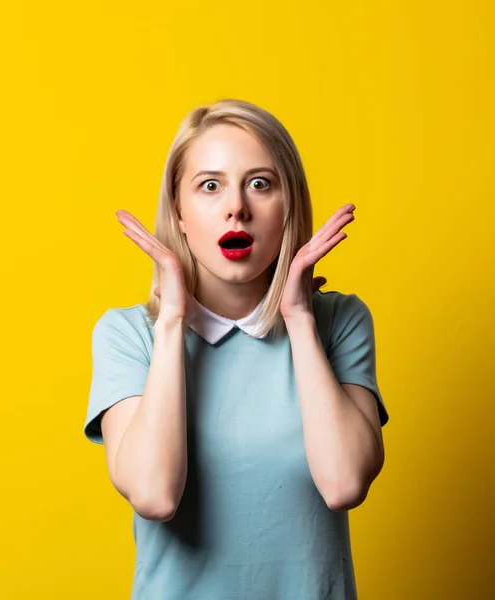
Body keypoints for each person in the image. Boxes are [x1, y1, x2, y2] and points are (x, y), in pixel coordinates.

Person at [83, 99, 389, 599]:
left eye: (260, 183)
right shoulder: (130, 334)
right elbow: (155, 495)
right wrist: (173, 323)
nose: (236, 208)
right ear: (178, 212)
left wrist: (298, 318)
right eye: (210, 185)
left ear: (288, 205)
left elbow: (344, 483)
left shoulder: (338, 322)